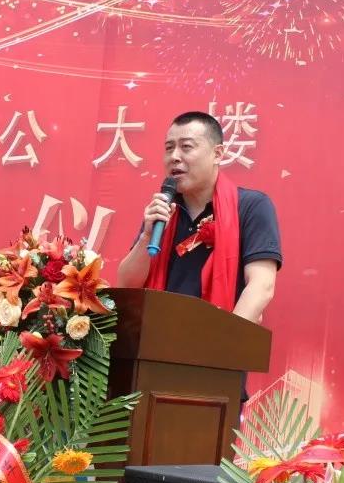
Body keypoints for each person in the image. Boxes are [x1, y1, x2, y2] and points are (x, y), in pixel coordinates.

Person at [116, 111, 282, 406]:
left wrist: (220, 350)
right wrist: (146, 236)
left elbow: (262, 285)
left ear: (218, 153)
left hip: (216, 368)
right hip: (153, 366)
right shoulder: (163, 210)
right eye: (169, 148)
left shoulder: (250, 207)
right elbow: (127, 282)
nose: (174, 157)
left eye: (186, 147)